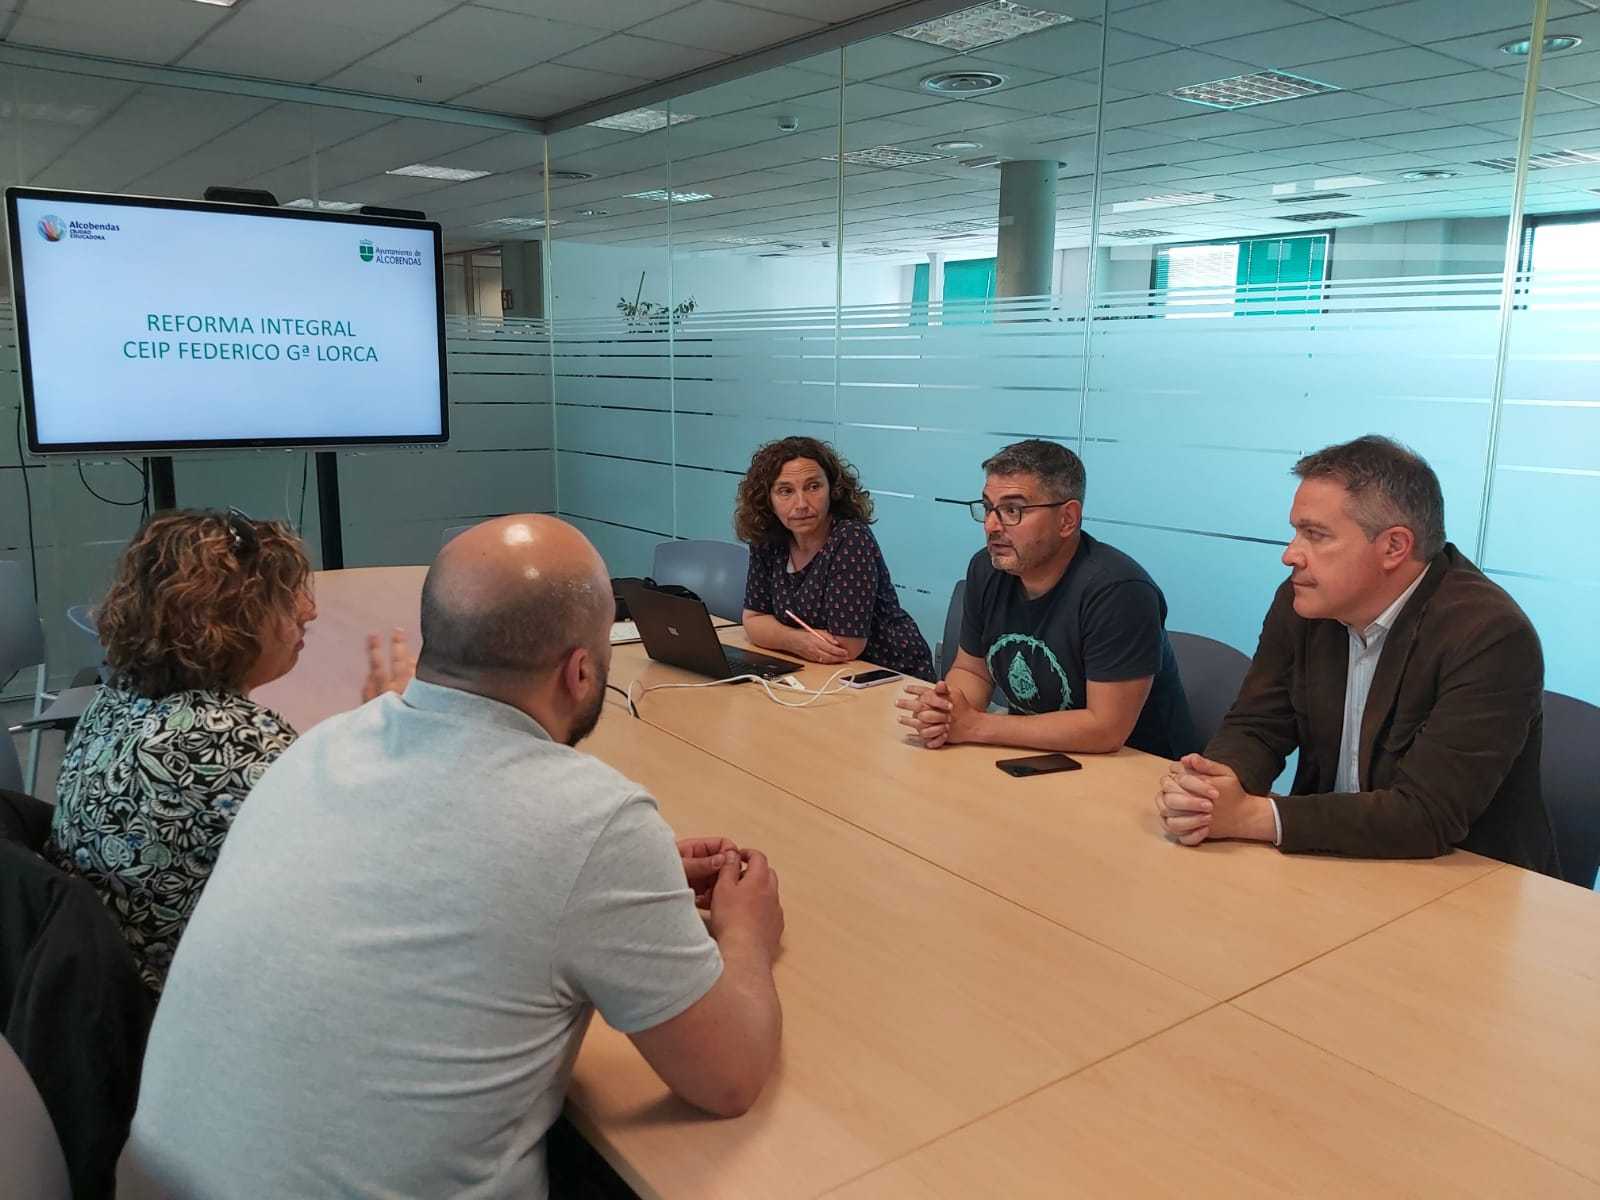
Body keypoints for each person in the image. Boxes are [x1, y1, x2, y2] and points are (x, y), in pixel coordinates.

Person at [125, 515, 785, 1199]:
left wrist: (619, 890)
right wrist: (746, 932)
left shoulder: (318, 747)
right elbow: (728, 1077)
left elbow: (460, 866)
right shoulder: (592, 820)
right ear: (581, 672)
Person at [1155, 435, 1559, 874]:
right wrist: (1214, 789)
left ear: (1393, 547)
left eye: (1315, 535)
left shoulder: (1490, 636)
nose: (1291, 555)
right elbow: (1258, 724)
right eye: (1295, 532)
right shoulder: (1304, 604)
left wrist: (1253, 817)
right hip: (1333, 859)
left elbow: (1426, 814)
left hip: (1461, 882)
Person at [43, 509, 327, 993]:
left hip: (105, 989)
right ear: (228, 618)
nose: (308, 610)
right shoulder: (228, 739)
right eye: (285, 596)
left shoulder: (118, 698)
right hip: (191, 1003)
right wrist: (392, 736)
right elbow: (353, 871)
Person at [898, 439, 1196, 758]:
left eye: (1013, 510)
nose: (991, 526)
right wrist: (947, 710)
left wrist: (975, 726)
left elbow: (1105, 729)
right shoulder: (986, 569)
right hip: (1036, 755)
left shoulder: (1119, 590)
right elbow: (972, 671)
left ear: (1067, 519)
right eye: (987, 508)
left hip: (1136, 773)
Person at [737, 436, 934, 680]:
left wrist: (776, 634)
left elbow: (845, 646)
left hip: (887, 675)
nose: (801, 504)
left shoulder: (851, 538)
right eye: (785, 491)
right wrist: (797, 640)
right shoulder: (767, 540)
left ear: (833, 490)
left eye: (813, 487)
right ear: (768, 499)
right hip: (817, 672)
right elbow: (754, 620)